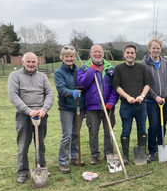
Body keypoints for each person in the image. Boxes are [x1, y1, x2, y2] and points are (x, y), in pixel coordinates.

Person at [8, 52, 54, 183]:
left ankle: (42, 168)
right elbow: (13, 96)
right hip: (24, 116)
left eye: (33, 62)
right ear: (23, 62)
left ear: (37, 63)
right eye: (28, 62)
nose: (31, 64)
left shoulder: (42, 76)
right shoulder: (14, 76)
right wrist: (28, 111)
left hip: (41, 115)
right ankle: (22, 172)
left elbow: (50, 94)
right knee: (23, 145)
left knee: (40, 144)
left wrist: (44, 109)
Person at [77, 45, 119, 165]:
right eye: (94, 52)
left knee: (108, 131)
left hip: (108, 105)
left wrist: (111, 102)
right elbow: (82, 84)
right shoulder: (84, 68)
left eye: (99, 52)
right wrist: (91, 70)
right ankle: (94, 154)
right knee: (93, 132)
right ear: (90, 54)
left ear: (103, 54)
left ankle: (108, 153)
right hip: (92, 106)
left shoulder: (111, 68)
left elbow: (115, 87)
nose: (97, 54)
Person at [113, 43, 151, 163]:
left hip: (141, 105)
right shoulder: (119, 69)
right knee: (126, 130)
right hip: (126, 105)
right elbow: (116, 86)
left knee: (142, 130)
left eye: (132, 53)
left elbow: (147, 84)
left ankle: (142, 155)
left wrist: (142, 96)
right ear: (124, 54)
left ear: (135, 55)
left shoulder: (142, 68)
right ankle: (125, 156)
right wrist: (128, 97)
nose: (130, 55)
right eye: (128, 53)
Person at [54, 45, 85, 174]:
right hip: (66, 107)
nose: (69, 58)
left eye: (71, 56)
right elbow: (60, 88)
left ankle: (74, 157)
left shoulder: (79, 71)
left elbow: (84, 84)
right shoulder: (58, 73)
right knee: (67, 135)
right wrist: (72, 92)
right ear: (62, 57)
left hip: (79, 107)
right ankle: (63, 162)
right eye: (66, 56)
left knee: (75, 133)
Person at [140, 39, 167, 161]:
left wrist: (166, 93)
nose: (156, 50)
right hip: (151, 101)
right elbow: (145, 83)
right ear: (149, 49)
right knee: (153, 125)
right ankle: (152, 150)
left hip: (164, 100)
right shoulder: (144, 64)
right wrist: (155, 96)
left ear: (160, 49)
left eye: (158, 48)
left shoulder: (165, 63)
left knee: (162, 125)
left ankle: (160, 146)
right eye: (153, 48)